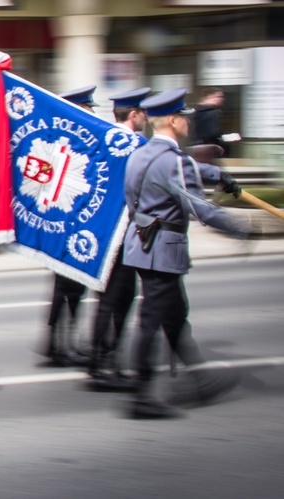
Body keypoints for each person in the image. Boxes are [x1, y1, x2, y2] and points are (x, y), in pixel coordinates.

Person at [123, 88, 249, 419]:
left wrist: (219, 175)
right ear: (175, 120)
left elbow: (185, 169)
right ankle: (140, 396)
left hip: (141, 244)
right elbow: (202, 210)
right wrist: (242, 227)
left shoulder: (141, 153)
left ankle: (199, 378)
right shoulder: (173, 162)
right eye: (186, 119)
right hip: (162, 250)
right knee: (152, 320)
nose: (189, 124)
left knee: (174, 315)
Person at [86, 87, 151, 392]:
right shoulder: (138, 145)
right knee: (118, 300)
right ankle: (101, 364)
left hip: (102, 233)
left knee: (109, 300)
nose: (146, 119)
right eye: (143, 113)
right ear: (134, 114)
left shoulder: (103, 140)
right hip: (125, 235)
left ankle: (100, 360)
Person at [40, 85, 99, 367]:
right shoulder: (68, 147)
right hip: (68, 229)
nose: (92, 112)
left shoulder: (60, 145)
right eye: (88, 108)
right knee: (70, 289)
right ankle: (62, 344)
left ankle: (57, 344)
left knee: (65, 289)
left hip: (62, 230)